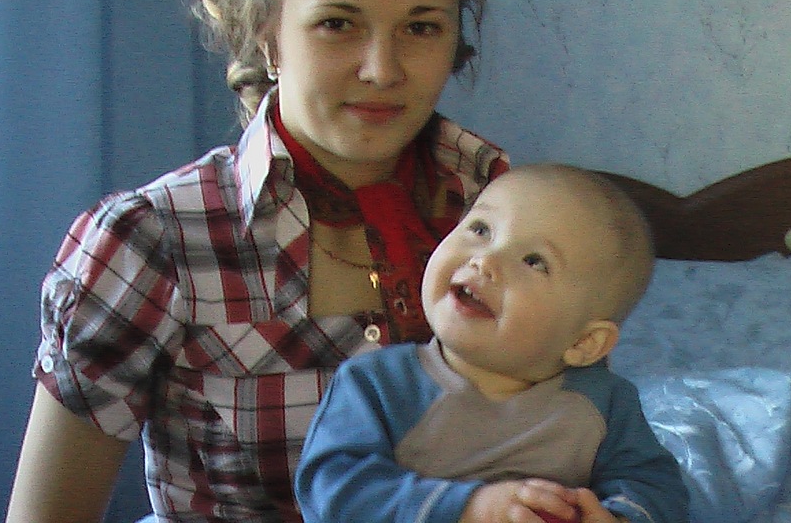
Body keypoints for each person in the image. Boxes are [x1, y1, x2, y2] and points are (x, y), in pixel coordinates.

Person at [5, 0, 511, 523]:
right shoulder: (154, 242)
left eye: (420, 28)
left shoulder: (503, 213)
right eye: (338, 24)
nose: (382, 69)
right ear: (268, 36)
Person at [295, 164, 689, 523]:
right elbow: (331, 490)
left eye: (534, 261)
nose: (485, 260)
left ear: (585, 342)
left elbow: (657, 488)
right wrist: (468, 508)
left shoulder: (605, 402)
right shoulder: (377, 383)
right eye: (481, 230)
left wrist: (617, 517)